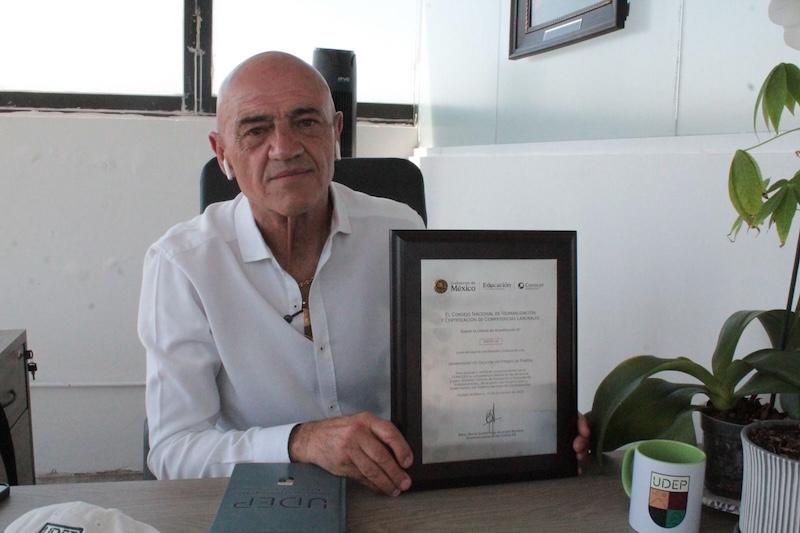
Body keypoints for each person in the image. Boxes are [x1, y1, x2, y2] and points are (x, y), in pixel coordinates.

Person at [139, 51, 590, 497]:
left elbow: (452, 372)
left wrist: (530, 420)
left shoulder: (400, 230)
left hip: (398, 483)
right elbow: (174, 451)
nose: (285, 148)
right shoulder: (183, 264)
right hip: (265, 493)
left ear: (335, 132)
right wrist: (301, 442)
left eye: (306, 122)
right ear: (222, 153)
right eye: (256, 130)